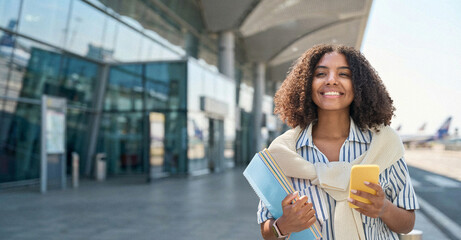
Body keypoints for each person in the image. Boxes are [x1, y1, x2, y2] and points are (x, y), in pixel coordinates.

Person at [257, 44, 419, 240]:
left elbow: (407, 223)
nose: (332, 80)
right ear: (306, 83)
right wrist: (283, 225)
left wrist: (384, 208)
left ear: (359, 85)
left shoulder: (385, 144)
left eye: (344, 74)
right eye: (320, 74)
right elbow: (267, 229)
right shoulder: (282, 152)